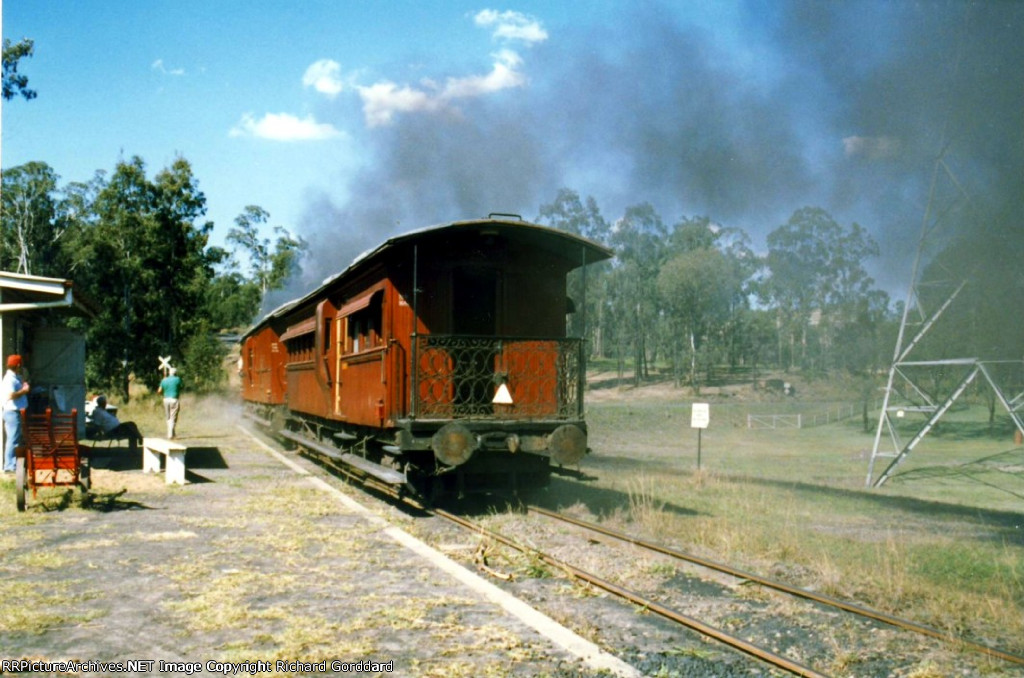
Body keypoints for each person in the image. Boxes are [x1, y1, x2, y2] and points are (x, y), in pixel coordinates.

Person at [2, 354, 30, 473]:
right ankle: (9, 466)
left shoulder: (14, 377)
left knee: (15, 438)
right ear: (18, 365)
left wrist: (24, 384)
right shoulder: (9, 379)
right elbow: (11, 395)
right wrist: (24, 391)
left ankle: (12, 464)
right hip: (12, 412)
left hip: (16, 411)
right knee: (13, 439)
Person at [158, 367, 183, 439]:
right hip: (174, 399)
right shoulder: (177, 379)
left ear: (169, 373)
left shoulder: (164, 380)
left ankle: (172, 433)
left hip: (166, 399)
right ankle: (170, 434)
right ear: (175, 373)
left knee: (168, 417)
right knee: (173, 417)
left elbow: (159, 391)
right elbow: (180, 387)